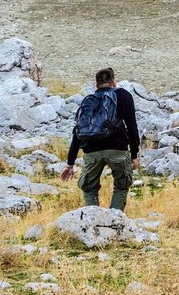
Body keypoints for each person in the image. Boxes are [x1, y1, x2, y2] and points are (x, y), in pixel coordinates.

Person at [60, 68, 140, 211]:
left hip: (91, 152)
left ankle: (93, 222)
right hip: (118, 150)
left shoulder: (90, 100)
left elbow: (78, 131)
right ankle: (115, 221)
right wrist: (134, 154)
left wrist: (70, 163)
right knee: (121, 186)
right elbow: (132, 128)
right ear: (113, 81)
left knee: (89, 189)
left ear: (96, 84)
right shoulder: (123, 96)